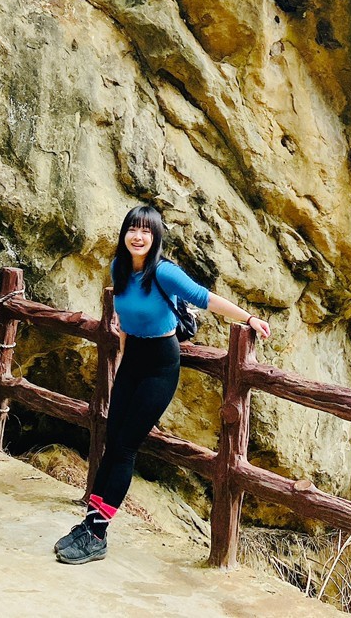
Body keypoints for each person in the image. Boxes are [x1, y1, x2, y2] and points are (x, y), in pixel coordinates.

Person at [54, 203, 271, 565]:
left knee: (125, 448)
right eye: (132, 229)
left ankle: (98, 534)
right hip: (132, 361)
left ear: (155, 237)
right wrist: (122, 363)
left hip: (159, 365)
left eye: (146, 231)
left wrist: (249, 317)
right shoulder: (118, 269)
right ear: (124, 234)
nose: (138, 237)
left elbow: (205, 298)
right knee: (110, 439)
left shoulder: (164, 272)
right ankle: (89, 523)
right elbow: (123, 322)